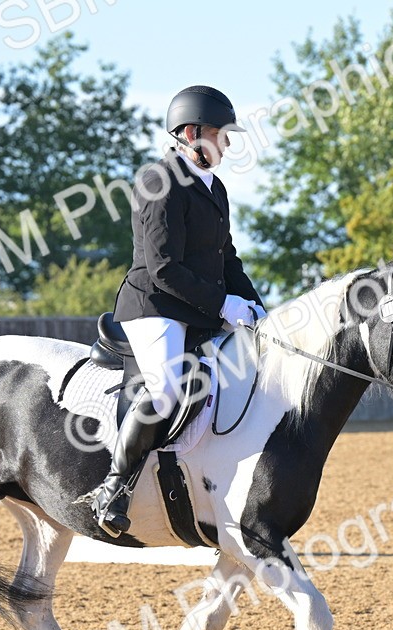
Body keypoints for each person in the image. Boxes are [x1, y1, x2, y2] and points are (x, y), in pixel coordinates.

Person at [92, 85, 265, 537]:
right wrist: (223, 303)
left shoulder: (215, 187)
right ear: (192, 133)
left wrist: (257, 305)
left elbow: (227, 259)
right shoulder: (158, 180)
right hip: (156, 305)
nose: (227, 144)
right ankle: (114, 486)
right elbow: (164, 266)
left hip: (198, 307)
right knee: (167, 388)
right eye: (221, 135)